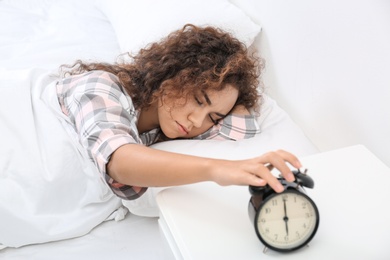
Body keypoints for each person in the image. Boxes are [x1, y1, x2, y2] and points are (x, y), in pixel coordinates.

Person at [57, 24, 302, 201]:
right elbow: (119, 161)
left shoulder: (158, 135)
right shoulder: (102, 85)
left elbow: (244, 128)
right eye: (197, 99)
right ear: (171, 74)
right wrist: (216, 170)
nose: (196, 121)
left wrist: (236, 92)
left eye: (213, 118)